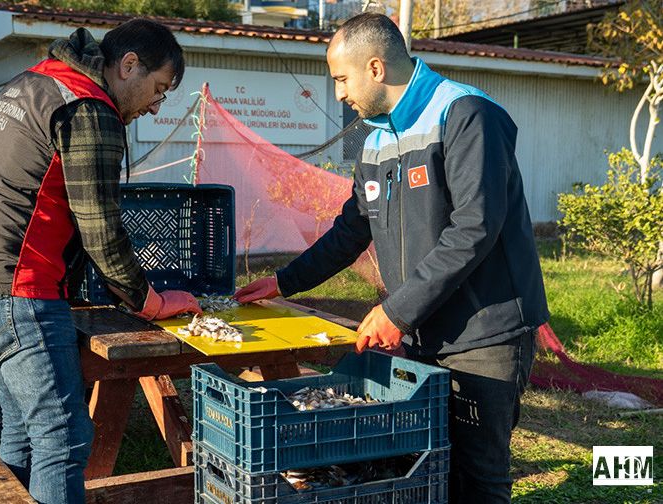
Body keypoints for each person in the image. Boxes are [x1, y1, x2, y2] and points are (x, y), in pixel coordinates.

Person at [234, 12, 547, 503]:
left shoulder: (466, 114)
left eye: (341, 78)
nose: (338, 93)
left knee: (479, 473)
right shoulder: (374, 138)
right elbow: (350, 230)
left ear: (375, 68)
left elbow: (475, 227)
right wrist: (284, 282)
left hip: (485, 331)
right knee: (429, 463)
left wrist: (396, 311)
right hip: (426, 331)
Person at [0, 20, 201, 504]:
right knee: (63, 436)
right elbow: (101, 230)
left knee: (26, 427)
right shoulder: (88, 108)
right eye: (158, 89)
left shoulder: (37, 80)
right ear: (129, 65)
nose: (155, 105)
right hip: (19, 289)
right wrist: (149, 300)